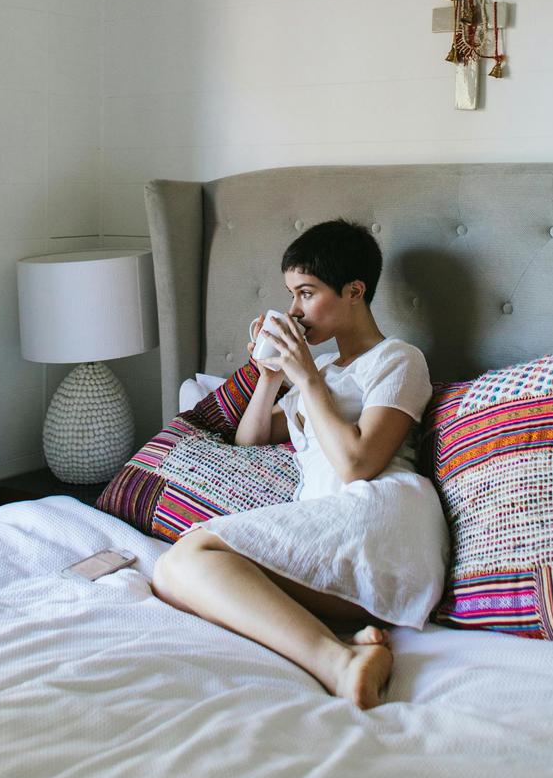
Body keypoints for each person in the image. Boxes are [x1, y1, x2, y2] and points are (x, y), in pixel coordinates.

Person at [152, 219, 448, 710]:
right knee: (173, 572)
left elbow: (357, 463)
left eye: (306, 294)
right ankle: (344, 655)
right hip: (331, 523)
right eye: (291, 296)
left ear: (354, 291)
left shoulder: (397, 359)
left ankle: (338, 663)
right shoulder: (323, 371)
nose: (294, 311)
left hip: (379, 515)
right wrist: (270, 376)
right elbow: (251, 440)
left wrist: (306, 378)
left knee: (189, 557)